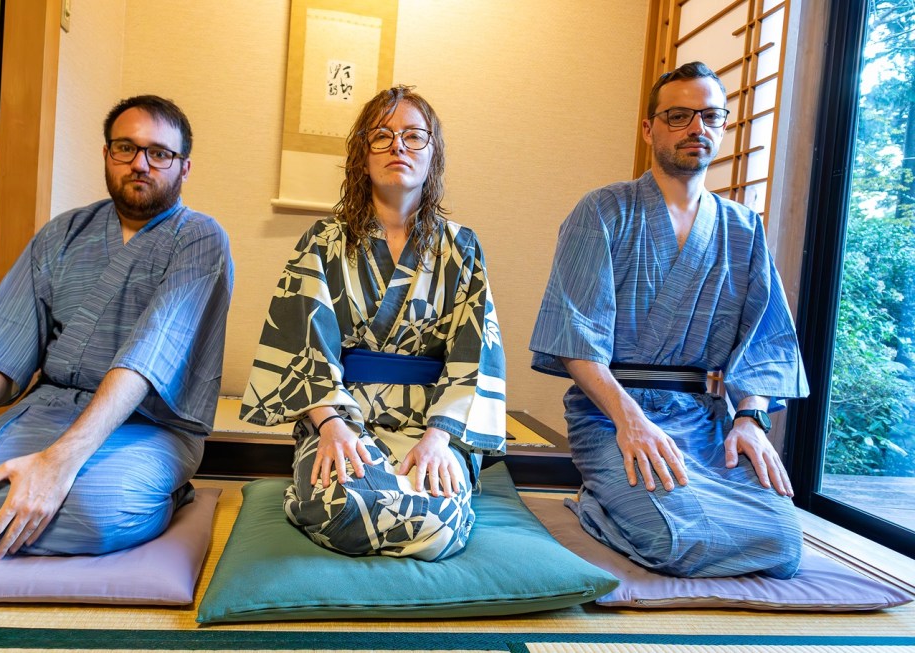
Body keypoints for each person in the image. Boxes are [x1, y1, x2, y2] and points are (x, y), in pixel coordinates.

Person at [529, 62, 809, 579]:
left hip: (704, 420)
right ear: (649, 128)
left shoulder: (743, 228)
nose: (696, 128)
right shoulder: (603, 211)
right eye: (678, 116)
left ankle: (621, 503)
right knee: (674, 541)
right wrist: (631, 421)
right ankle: (597, 502)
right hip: (612, 416)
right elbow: (575, 339)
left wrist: (750, 419)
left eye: (710, 116)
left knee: (784, 546)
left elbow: (765, 343)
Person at [0, 95, 234, 559]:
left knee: (95, 510)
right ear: (107, 154)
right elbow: (2, 334)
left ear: (184, 167)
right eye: (126, 148)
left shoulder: (200, 239)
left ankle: (169, 493)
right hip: (51, 408)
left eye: (159, 153)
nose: (140, 164)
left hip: (149, 421)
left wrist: (59, 462)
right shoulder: (63, 232)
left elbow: (150, 355)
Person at [241, 86, 506, 561]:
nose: (398, 146)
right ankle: (315, 487)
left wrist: (439, 440)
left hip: (430, 424)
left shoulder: (462, 248)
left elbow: (475, 354)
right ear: (362, 157)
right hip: (343, 418)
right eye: (382, 136)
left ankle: (426, 478)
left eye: (413, 136)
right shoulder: (323, 242)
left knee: (440, 518)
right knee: (339, 504)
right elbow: (303, 344)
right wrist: (330, 426)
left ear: (433, 154)